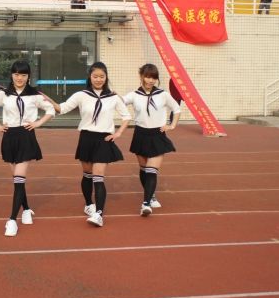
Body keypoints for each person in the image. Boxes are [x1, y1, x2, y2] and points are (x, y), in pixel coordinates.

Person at [44, 62, 130, 227]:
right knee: (87, 174)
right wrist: (48, 100)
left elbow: (126, 116)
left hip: (104, 139)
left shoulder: (113, 97)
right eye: (95, 76)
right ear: (89, 77)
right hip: (86, 138)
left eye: (102, 76)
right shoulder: (81, 95)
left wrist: (118, 133)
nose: (98, 79)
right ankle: (89, 204)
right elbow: (62, 108)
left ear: (106, 77)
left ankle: (99, 214)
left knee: (99, 177)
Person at [0, 61, 55, 237]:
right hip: (9, 137)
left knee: (18, 178)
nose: (19, 78)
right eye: (16, 74)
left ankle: (12, 220)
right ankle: (26, 209)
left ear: (28, 76)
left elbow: (51, 110)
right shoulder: (3, 94)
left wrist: (37, 123)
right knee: (17, 180)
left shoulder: (35, 95)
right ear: (11, 75)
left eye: (23, 75)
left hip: (26, 137)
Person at [123, 64, 180, 217]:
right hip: (140, 135)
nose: (150, 80)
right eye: (148, 77)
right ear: (141, 76)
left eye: (154, 77)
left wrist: (172, 125)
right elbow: (119, 102)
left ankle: (146, 204)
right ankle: (151, 195)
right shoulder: (134, 95)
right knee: (143, 170)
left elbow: (177, 109)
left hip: (157, 135)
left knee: (151, 170)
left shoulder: (163, 94)